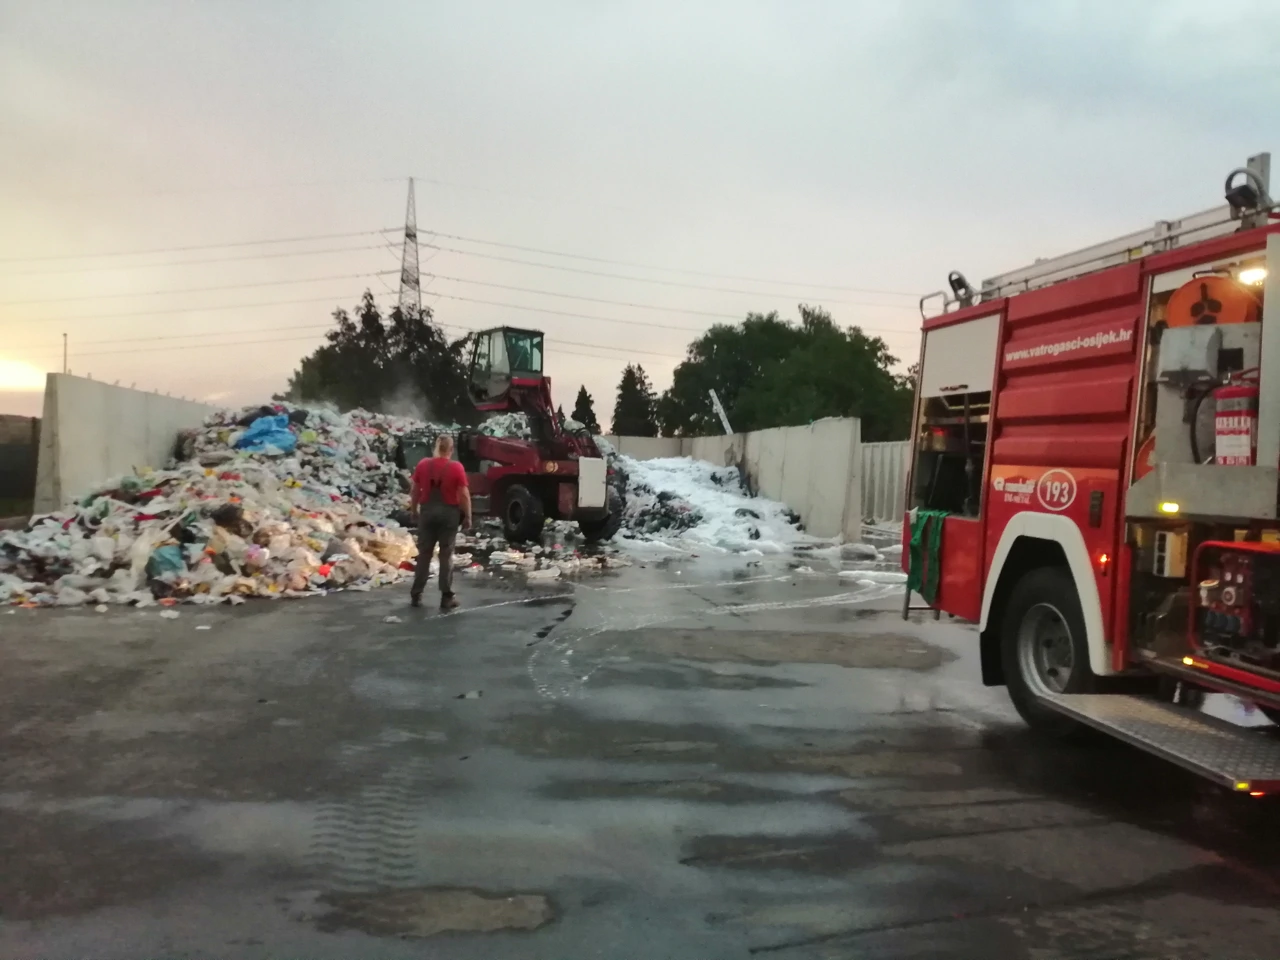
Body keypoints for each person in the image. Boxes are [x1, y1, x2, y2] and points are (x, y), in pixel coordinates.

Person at [408, 434, 472, 609]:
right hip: (448, 515)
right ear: (451, 450)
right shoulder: (456, 467)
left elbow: (414, 490)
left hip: (427, 513)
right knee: (445, 555)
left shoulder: (423, 465)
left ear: (435, 448)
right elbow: (464, 495)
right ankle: (446, 597)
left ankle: (416, 594)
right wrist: (468, 516)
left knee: (424, 554)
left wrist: (414, 510)